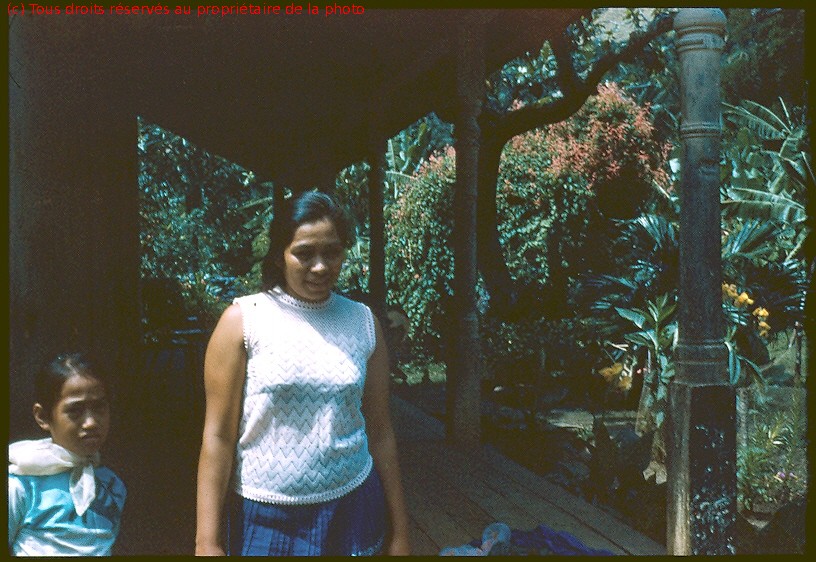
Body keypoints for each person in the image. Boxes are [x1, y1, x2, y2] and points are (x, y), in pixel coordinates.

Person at [195, 190, 411, 556]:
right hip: (265, 514)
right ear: (279, 255)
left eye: (332, 252)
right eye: (304, 253)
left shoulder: (363, 322)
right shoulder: (243, 322)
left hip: (353, 505)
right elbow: (217, 438)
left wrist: (401, 532)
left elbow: (380, 431)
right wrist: (206, 541)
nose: (320, 266)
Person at [8, 352, 127, 556]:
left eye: (99, 407)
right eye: (75, 410)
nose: (91, 423)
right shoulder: (21, 485)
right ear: (43, 416)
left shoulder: (112, 486)